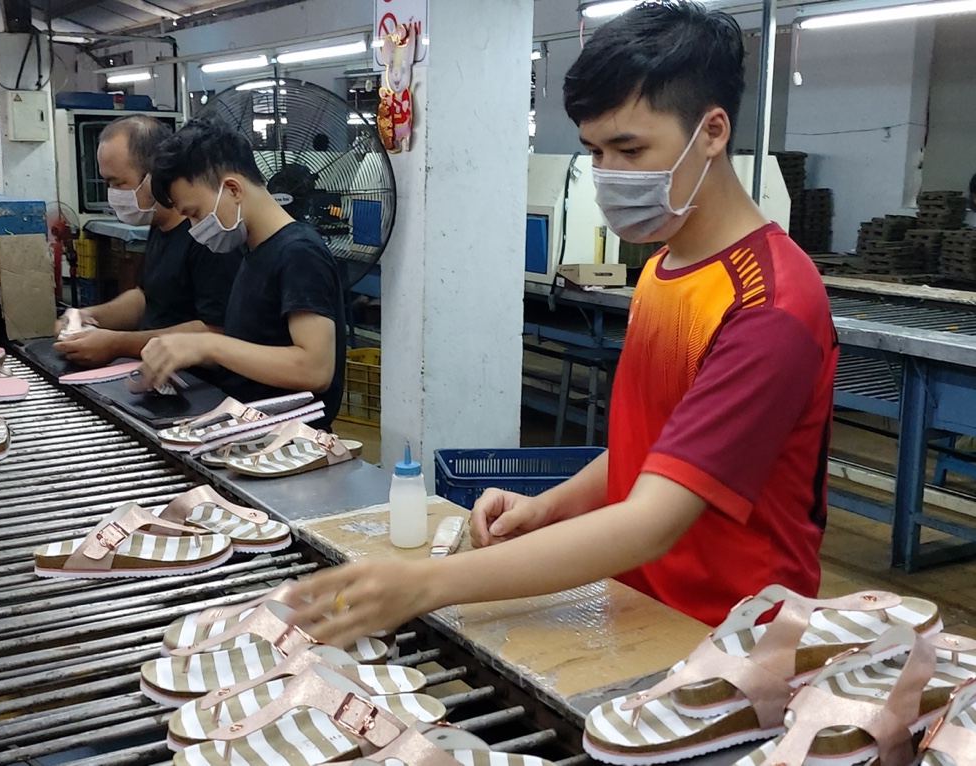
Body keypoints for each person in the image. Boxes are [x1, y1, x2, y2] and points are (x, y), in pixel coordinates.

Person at [286, 0, 838, 642]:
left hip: (733, 637)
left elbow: (651, 521)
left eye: (629, 149)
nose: (608, 175)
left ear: (712, 131)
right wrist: (547, 507)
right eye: (594, 151)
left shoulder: (768, 305)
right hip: (642, 611)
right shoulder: (666, 266)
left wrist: (426, 583)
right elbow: (654, 450)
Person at [141, 117, 346, 431]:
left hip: (290, 441)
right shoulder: (254, 250)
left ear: (233, 189)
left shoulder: (299, 253)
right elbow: (252, 348)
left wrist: (208, 345)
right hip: (253, 430)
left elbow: (315, 370)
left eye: (195, 213)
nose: (194, 228)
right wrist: (179, 351)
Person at [53, 115, 241, 367]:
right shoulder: (159, 225)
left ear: (154, 175)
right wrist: (88, 316)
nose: (113, 195)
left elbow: (217, 330)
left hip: (197, 377)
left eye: (118, 183)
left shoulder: (210, 236)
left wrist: (118, 344)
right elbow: (146, 297)